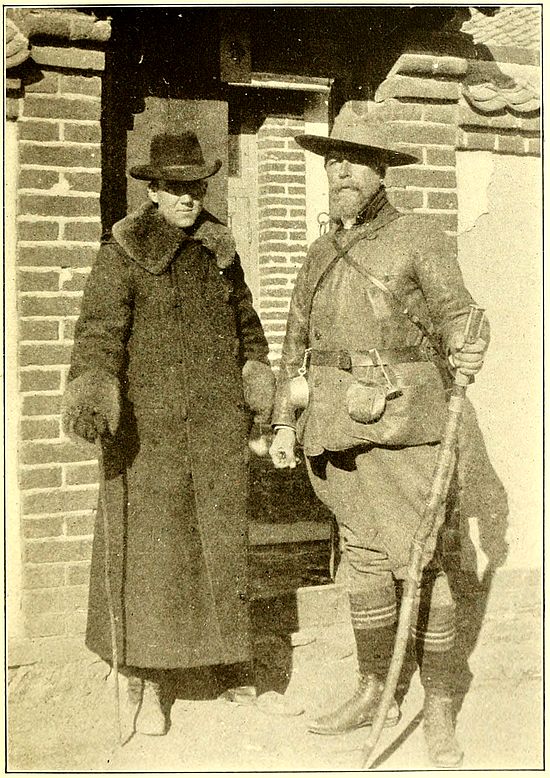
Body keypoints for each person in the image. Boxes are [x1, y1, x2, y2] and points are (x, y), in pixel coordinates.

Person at [269, 102, 489, 768]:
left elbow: (460, 315)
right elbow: (294, 343)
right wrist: (283, 420)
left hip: (406, 426)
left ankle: (441, 704)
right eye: (334, 161)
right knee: (362, 559)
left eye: (357, 162)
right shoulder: (318, 252)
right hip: (333, 429)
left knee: (426, 560)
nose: (342, 172)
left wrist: (470, 344)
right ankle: (376, 689)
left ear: (382, 172)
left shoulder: (418, 235)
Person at [62, 132, 275, 735]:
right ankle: (145, 677)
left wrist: (255, 373)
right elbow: (98, 333)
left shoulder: (219, 250)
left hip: (214, 428)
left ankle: (224, 664)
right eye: (175, 188)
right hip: (147, 434)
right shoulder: (122, 251)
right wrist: (95, 390)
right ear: (153, 191)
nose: (187, 198)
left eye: (196, 187)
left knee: (219, 546)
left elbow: (248, 326)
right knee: (154, 557)